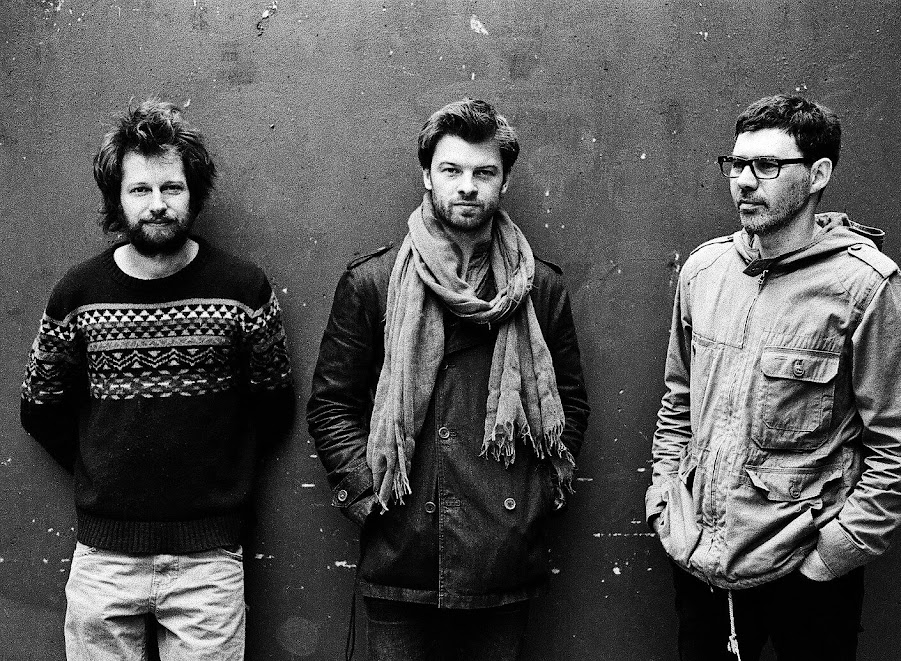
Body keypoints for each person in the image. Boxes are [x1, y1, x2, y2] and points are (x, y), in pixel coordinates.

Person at [645, 94, 901, 661]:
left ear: (817, 175)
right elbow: (678, 401)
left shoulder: (865, 287)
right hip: (701, 562)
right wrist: (666, 499)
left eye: (767, 166)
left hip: (806, 576)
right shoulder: (705, 271)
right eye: (737, 164)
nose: (743, 181)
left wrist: (832, 554)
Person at [307, 98, 589, 660]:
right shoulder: (374, 282)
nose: (467, 187)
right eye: (451, 170)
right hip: (404, 552)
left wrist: (534, 500)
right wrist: (367, 497)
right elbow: (331, 405)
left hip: (503, 552)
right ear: (427, 176)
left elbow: (571, 403)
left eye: (484, 173)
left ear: (504, 181)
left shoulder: (540, 288)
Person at [20, 99, 294, 660]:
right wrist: (103, 468)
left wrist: (216, 481)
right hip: (104, 560)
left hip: (208, 564)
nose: (158, 204)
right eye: (140, 190)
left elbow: (274, 404)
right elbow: (40, 407)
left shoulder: (242, 290)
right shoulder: (78, 294)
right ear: (116, 199)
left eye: (172, 187)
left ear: (194, 193)